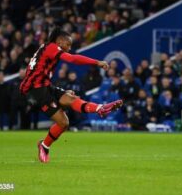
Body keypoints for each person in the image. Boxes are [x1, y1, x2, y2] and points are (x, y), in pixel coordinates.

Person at [19, 27, 123, 163]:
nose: (68, 48)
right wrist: (97, 62)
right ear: (60, 41)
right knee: (63, 122)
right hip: (34, 90)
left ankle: (99, 108)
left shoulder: (47, 48)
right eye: (68, 45)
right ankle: (44, 146)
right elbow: (73, 59)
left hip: (44, 85)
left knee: (70, 99)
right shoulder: (51, 47)